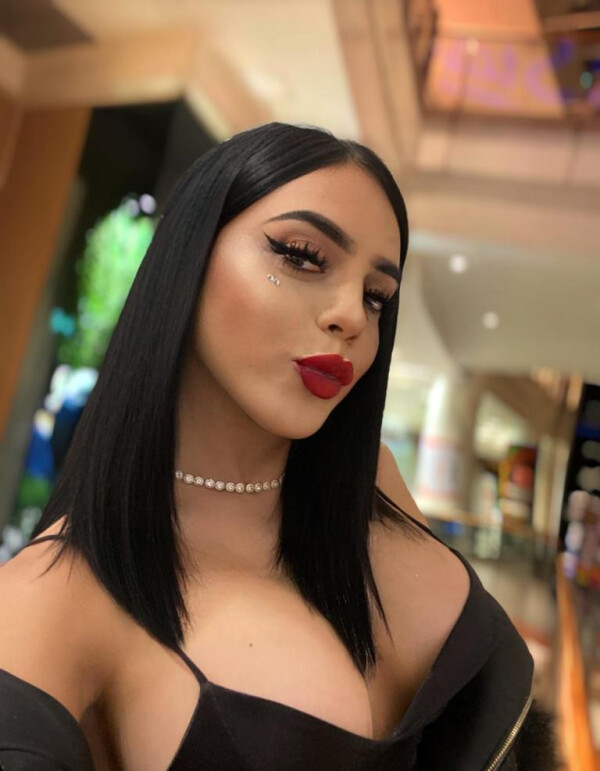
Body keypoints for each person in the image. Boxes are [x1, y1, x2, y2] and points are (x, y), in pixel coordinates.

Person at [0, 123, 558, 770]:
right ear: (189, 253)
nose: (352, 314)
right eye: (301, 255)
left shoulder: (373, 486)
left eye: (378, 296)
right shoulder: (58, 595)